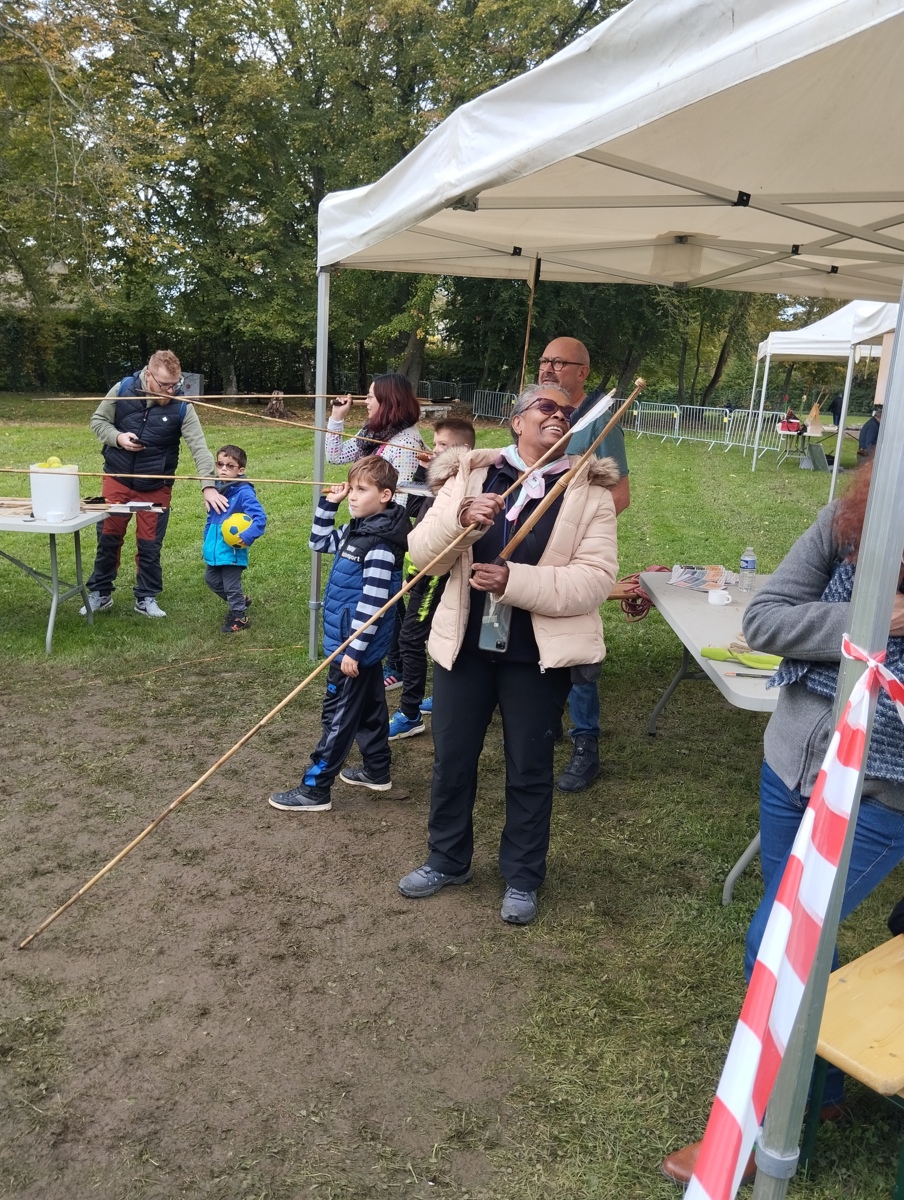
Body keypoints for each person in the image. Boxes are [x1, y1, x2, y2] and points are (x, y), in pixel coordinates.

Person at [661, 458, 904, 1186]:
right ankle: (819, 1092)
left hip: (878, 797)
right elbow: (764, 619)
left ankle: (758, 1128)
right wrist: (873, 621)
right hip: (791, 769)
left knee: (776, 942)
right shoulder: (851, 521)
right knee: (796, 942)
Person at [397, 384, 619, 925]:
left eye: (567, 412)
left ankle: (522, 875)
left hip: (535, 656)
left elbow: (594, 581)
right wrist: (459, 520)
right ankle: (447, 859)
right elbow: (421, 556)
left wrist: (512, 581)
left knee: (529, 765)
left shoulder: (588, 491)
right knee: (452, 759)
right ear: (516, 420)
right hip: (464, 646)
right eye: (547, 407)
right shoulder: (470, 476)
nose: (559, 415)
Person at [268, 456, 409, 813]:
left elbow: (374, 604)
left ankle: (315, 788)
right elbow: (318, 542)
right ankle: (377, 770)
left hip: (352, 648)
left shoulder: (379, 545)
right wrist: (329, 503)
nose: (353, 496)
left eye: (362, 490)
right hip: (353, 645)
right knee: (371, 708)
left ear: (386, 495)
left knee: (338, 716)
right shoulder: (356, 530)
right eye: (352, 489)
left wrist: (353, 651)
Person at [537, 336, 630, 792]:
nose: (548, 368)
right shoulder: (535, 413)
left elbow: (620, 495)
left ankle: (585, 743)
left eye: (559, 362)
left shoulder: (599, 420)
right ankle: (545, 719)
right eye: (544, 360)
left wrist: (576, 530)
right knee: (537, 640)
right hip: (534, 550)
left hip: (575, 555)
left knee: (577, 648)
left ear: (582, 372)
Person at [80, 350, 228, 618]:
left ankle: (145, 597)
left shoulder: (182, 406)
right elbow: (98, 421)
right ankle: (101, 593)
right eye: (164, 385)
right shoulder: (122, 389)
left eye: (175, 384)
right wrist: (118, 438)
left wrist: (208, 485)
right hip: (117, 477)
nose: (171, 391)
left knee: (149, 545)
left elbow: (199, 447)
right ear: (148, 375)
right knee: (108, 538)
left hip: (156, 484)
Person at [327, 372, 427, 690]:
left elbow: (400, 498)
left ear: (388, 401)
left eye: (371, 396)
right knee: (380, 596)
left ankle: (396, 664)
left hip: (386, 533)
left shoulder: (405, 442)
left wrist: (374, 529)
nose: (366, 401)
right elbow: (335, 456)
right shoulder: (375, 431)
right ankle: (393, 659)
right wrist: (337, 418)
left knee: (387, 598)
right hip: (369, 527)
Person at [388, 417, 477, 741]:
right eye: (435, 443)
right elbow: (414, 506)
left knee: (411, 639)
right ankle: (443, 696)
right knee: (432, 635)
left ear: (462, 449)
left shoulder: (462, 485)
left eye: (442, 445)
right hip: (422, 567)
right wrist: (424, 471)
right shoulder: (443, 479)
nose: (434, 449)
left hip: (435, 572)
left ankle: (410, 713)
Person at [202, 445, 267, 634]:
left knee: (231, 586)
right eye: (220, 464)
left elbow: (260, 518)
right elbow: (211, 518)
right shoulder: (217, 491)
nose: (223, 469)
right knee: (211, 580)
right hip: (216, 548)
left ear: (240, 470)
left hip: (232, 550)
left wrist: (246, 536)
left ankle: (239, 616)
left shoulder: (243, 492)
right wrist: (208, 539)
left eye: (229, 466)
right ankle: (240, 600)